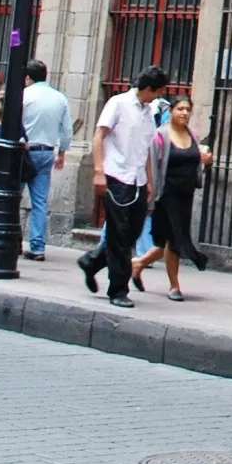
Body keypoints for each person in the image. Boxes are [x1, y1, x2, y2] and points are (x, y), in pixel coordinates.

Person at [77, 64, 167, 308]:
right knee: (119, 236)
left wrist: (148, 179)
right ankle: (118, 288)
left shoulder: (149, 112)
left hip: (136, 178)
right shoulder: (118, 103)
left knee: (133, 231)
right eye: (158, 91)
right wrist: (98, 171)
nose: (159, 95)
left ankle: (93, 261)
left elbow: (146, 148)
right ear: (148, 88)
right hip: (116, 175)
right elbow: (99, 135)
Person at [134, 93, 212, 300]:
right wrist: (150, 189)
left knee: (165, 243)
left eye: (188, 110)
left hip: (185, 195)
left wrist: (205, 160)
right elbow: (150, 164)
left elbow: (196, 162)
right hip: (166, 195)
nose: (184, 113)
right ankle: (174, 286)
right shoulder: (161, 136)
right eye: (180, 109)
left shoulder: (193, 135)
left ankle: (138, 263)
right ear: (171, 112)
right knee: (176, 240)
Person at [20, 59, 72, 262]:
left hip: (25, 151)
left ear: (27, 78)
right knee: (40, 201)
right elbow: (66, 130)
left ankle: (13, 240)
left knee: (13, 196)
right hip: (47, 152)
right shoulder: (59, 98)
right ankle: (38, 246)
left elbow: (15, 122)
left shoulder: (24, 95)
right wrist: (62, 152)